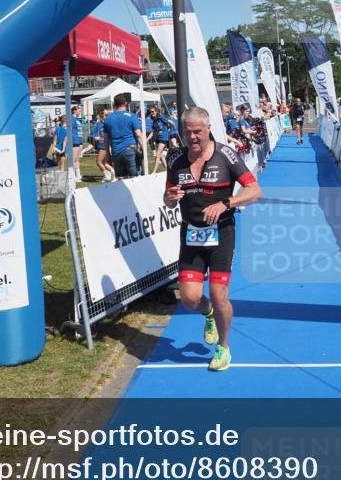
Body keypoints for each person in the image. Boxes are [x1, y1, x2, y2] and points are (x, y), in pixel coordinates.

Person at [163, 107, 263, 371]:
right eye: (188, 132)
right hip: (191, 234)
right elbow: (168, 198)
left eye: (198, 131)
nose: (193, 137)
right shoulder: (175, 159)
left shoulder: (226, 155)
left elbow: (255, 191)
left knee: (219, 295)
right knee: (190, 298)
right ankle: (207, 314)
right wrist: (170, 198)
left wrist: (226, 203)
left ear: (208, 129)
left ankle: (224, 347)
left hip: (222, 233)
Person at [104, 93, 146, 178]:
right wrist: (144, 149)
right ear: (126, 103)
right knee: (135, 179)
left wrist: (108, 154)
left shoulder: (108, 119)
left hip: (116, 152)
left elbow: (106, 140)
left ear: (114, 104)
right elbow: (138, 135)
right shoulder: (132, 116)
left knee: (121, 181)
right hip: (130, 150)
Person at [70, 104, 84, 182]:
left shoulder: (77, 119)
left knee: (77, 159)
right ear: (74, 111)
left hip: (79, 140)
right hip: (74, 141)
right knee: (74, 158)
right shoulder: (72, 118)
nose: (80, 111)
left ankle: (78, 174)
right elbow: (70, 130)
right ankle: (73, 176)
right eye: (78, 110)